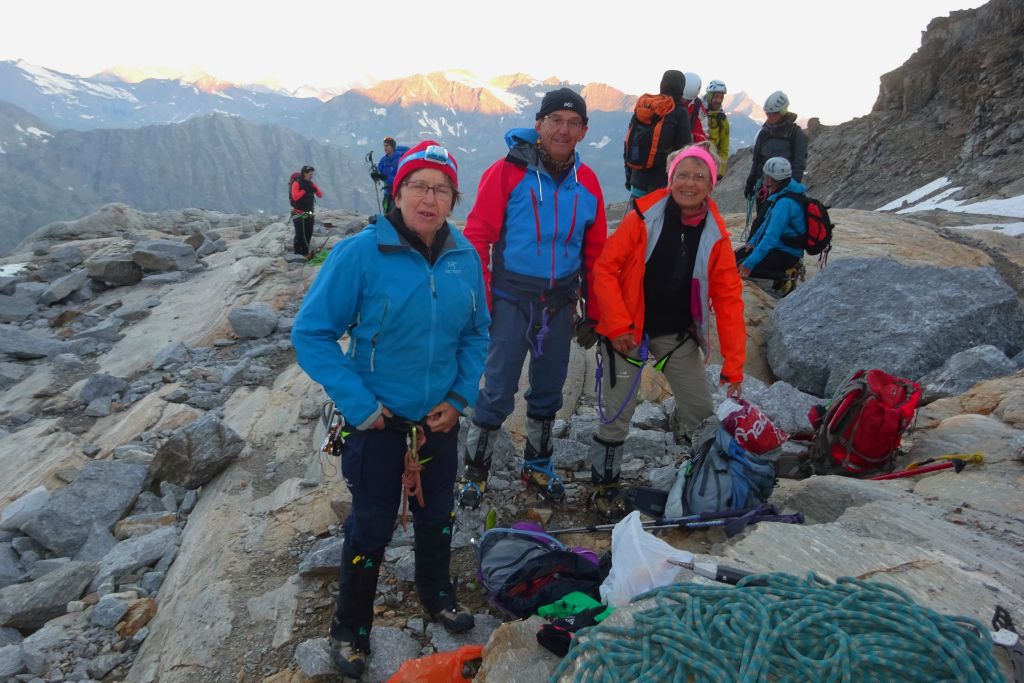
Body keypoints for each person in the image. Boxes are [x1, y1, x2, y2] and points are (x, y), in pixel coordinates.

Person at [292, 140, 491, 679]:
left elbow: (477, 333)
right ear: (396, 192)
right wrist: (360, 406)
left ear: (454, 198)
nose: (429, 198)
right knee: (372, 524)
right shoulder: (360, 254)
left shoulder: (464, 256)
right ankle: (351, 626)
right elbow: (311, 333)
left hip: (439, 420)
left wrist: (458, 398)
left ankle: (437, 592)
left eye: (441, 189)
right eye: (418, 187)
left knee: (437, 511)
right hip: (377, 422)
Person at [460, 87, 607, 508]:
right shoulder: (506, 173)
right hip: (510, 301)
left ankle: (537, 465)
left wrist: (594, 311)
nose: (563, 129)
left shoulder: (588, 182)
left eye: (573, 122)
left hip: (560, 304)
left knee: (549, 387)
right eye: (555, 120)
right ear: (539, 125)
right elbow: (477, 237)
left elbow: (596, 254)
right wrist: (482, 301)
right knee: (498, 386)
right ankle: (476, 468)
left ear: (583, 131)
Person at [590, 143, 746, 519]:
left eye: (699, 177)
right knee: (616, 414)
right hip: (629, 329)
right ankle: (603, 486)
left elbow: (728, 299)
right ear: (670, 178)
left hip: (676, 335)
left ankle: (704, 482)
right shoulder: (644, 216)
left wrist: (734, 366)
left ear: (711, 184)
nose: (689, 184)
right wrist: (618, 324)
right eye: (683, 175)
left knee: (701, 413)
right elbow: (605, 270)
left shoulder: (716, 235)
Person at [735, 156, 806, 295]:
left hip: (787, 253)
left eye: (765, 176)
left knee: (741, 264)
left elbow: (770, 238)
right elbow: (766, 223)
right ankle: (779, 271)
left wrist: (749, 264)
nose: (764, 179)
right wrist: (751, 243)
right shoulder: (785, 192)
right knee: (735, 256)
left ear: (770, 178)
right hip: (782, 248)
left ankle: (786, 274)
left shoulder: (784, 203)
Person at [743, 91, 808, 230]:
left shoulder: (796, 134)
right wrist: (751, 181)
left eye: (773, 114)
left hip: (783, 185)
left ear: (783, 111)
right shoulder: (764, 132)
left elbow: (799, 163)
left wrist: (793, 186)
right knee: (762, 218)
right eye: (768, 114)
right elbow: (757, 159)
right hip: (764, 184)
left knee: (778, 221)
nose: (770, 117)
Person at [625, 70, 694, 197]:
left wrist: (629, 177)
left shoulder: (645, 107)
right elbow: (684, 151)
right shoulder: (679, 111)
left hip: (637, 181)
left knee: (637, 216)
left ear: (662, 84)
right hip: (662, 185)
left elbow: (629, 142)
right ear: (682, 88)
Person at [290, 165, 323, 256]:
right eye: (310, 174)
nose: (311, 176)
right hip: (298, 213)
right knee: (300, 234)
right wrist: (304, 191)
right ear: (304, 173)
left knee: (308, 233)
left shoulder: (311, 184)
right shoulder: (297, 183)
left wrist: (315, 189)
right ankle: (297, 254)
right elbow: (295, 197)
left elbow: (320, 195)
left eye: (312, 174)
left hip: (309, 212)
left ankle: (305, 252)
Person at [371, 137, 409, 213]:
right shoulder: (383, 160)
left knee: (395, 213)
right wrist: (376, 176)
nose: (385, 148)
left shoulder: (400, 159)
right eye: (384, 146)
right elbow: (380, 173)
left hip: (398, 193)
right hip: (387, 192)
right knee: (386, 210)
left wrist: (385, 177)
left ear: (392, 147)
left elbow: (401, 177)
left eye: (387, 146)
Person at [703, 80, 730, 180]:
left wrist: (720, 170)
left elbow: (724, 146)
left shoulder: (721, 119)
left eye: (721, 97)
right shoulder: (697, 111)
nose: (718, 100)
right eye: (716, 96)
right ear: (710, 96)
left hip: (709, 166)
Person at [683, 72, 708, 143]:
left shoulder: (697, 108)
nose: (684, 101)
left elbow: (704, 135)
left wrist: (691, 137)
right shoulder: (669, 101)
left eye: (687, 100)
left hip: (687, 148)